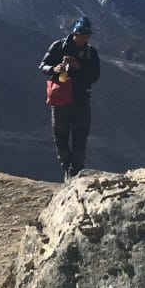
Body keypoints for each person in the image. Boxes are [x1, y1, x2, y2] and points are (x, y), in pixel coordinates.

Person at [39, 16, 100, 180]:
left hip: (81, 100)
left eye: (86, 36)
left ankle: (77, 170)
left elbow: (94, 76)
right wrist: (54, 68)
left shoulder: (91, 53)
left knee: (80, 136)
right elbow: (42, 66)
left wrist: (78, 67)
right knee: (61, 136)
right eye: (81, 35)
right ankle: (67, 168)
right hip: (61, 100)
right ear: (74, 33)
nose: (83, 39)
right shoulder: (58, 47)